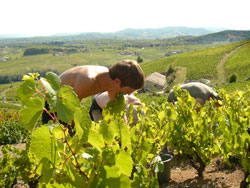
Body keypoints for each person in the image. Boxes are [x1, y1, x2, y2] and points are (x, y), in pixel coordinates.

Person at [42, 60, 145, 126]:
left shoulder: (111, 81)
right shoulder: (88, 80)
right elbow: (71, 111)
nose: (127, 95)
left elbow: (117, 110)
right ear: (118, 81)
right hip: (55, 105)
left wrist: (124, 131)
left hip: (69, 105)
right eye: (127, 91)